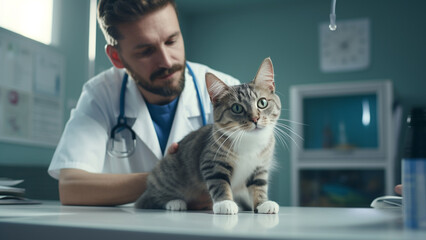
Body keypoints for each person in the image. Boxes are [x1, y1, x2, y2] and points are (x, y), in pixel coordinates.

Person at [48, 0, 239, 207]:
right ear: (116, 57)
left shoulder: (228, 92)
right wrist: (170, 176)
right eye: (146, 51)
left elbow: (244, 183)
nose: (166, 61)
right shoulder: (100, 94)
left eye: (171, 41)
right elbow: (72, 188)